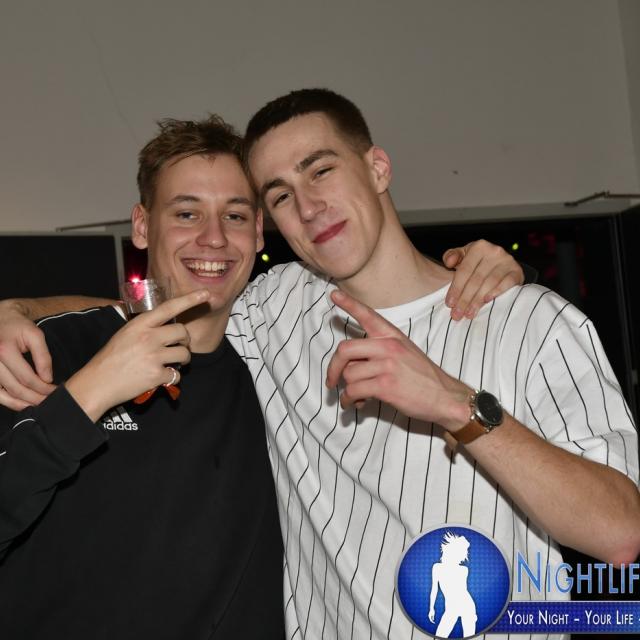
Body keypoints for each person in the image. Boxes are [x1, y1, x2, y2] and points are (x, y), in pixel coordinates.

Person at [0, 90, 613, 640]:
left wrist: (457, 405)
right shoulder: (274, 311)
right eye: (281, 195)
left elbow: (620, 536)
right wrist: (19, 310)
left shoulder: (530, 322)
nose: (310, 205)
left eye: (321, 170)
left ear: (377, 168)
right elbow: (159, 304)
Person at [0, 117, 286, 639]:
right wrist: (90, 392)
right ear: (142, 225)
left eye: (235, 215)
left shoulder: (275, 365)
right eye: (186, 213)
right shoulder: (48, 351)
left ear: (258, 231)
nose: (214, 237)